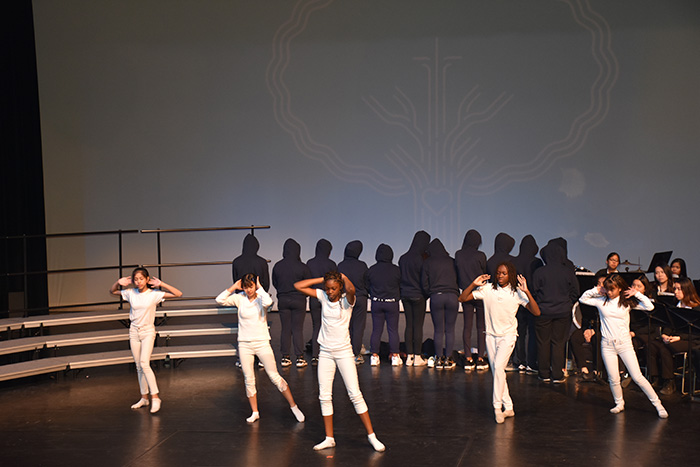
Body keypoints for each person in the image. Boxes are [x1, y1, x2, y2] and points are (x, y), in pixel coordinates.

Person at [295, 272, 386, 452]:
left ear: (340, 288)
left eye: (333, 288)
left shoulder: (347, 302)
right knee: (324, 396)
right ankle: (329, 438)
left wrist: (343, 277)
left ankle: (372, 437)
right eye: (327, 288)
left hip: (344, 353)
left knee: (355, 394)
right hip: (326, 353)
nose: (329, 292)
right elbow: (299, 286)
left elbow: (352, 289)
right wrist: (322, 280)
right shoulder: (322, 296)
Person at [216, 274, 305, 424]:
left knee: (274, 376)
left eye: (251, 286)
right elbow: (219, 300)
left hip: (262, 343)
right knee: (249, 379)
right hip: (244, 344)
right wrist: (234, 287)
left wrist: (259, 287)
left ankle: (294, 407)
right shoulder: (240, 298)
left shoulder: (261, 298)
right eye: (246, 286)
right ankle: (255, 411)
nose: (248, 290)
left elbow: (269, 301)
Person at [459, 262, 540, 423]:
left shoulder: (516, 293)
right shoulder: (488, 289)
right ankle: (509, 406)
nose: (500, 276)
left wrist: (527, 292)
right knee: (498, 371)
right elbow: (463, 298)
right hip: (490, 336)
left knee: (497, 368)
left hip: (508, 336)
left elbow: (536, 312)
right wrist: (474, 284)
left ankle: (497, 407)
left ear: (510, 274)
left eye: (503, 273)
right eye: (498, 273)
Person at [579, 274, 668, 418]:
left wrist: (637, 293)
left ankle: (658, 404)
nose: (609, 292)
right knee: (613, 378)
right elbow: (583, 299)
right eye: (607, 289)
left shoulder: (627, 302)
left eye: (612, 289)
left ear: (619, 288)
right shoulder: (601, 301)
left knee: (637, 376)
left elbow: (649, 307)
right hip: (607, 345)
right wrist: (596, 290)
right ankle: (619, 403)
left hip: (625, 344)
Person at [110, 267, 183, 413]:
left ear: (147, 280)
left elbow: (178, 294)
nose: (138, 282)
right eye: (136, 279)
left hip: (148, 332)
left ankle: (155, 397)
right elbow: (112, 292)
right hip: (134, 332)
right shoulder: (130, 293)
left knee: (144, 363)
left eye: (141, 279)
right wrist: (118, 282)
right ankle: (144, 398)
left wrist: (162, 284)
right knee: (138, 366)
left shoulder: (153, 294)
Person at [532, 241, 579, 383]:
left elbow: (533, 291)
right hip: (563, 312)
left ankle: (544, 373)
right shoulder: (568, 272)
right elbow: (576, 292)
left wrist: (541, 303)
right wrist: (567, 303)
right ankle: (557, 374)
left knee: (543, 342)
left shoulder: (539, 272)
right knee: (558, 343)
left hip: (543, 312)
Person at [272, 238, 312, 368]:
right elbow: (308, 284)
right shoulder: (303, 267)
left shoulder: (278, 266)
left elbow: (275, 282)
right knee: (297, 329)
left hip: (283, 300)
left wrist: (282, 292)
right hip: (299, 300)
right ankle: (300, 358)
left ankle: (285, 357)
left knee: (285, 329)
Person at [422, 238, 460, 369]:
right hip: (452, 297)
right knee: (450, 329)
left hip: (436, 297)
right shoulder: (452, 262)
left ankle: (438, 359)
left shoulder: (428, 262)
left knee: (438, 329)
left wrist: (430, 293)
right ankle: (448, 359)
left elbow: (424, 283)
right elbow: (459, 279)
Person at [455, 229, 488, 370]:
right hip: (480, 294)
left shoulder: (458, 254)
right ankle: (480, 358)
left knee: (467, 326)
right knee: (481, 327)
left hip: (466, 293)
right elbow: (485, 272)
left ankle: (468, 357)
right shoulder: (481, 255)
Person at [511, 235, 543, 372]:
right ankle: (531, 362)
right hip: (531, 299)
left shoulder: (513, 261)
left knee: (519, 331)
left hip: (516, 298)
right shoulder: (537, 262)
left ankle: (519, 361)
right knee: (532, 332)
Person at [366, 244, 402, 366]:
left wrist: (373, 295)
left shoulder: (371, 269)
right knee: (393, 330)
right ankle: (395, 356)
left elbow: (367, 286)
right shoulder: (396, 270)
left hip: (376, 303)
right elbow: (400, 285)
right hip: (392, 303)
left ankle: (374, 356)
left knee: (376, 330)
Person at [399, 230, 431, 366]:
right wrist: (427, 294)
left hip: (405, 295)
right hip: (418, 296)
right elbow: (424, 280)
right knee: (418, 326)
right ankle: (417, 357)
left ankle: (409, 357)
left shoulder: (403, 258)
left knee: (409, 325)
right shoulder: (422, 259)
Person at [306, 239, 337, 365]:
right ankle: (329, 354)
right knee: (329, 326)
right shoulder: (331, 264)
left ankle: (315, 356)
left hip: (314, 297)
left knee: (316, 327)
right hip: (328, 298)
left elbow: (307, 280)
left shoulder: (310, 263)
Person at [337, 240, 369, 364]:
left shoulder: (340, 265)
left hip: (345, 298)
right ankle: (356, 354)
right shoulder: (362, 265)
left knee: (346, 325)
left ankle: (346, 352)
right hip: (360, 297)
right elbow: (366, 281)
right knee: (358, 326)